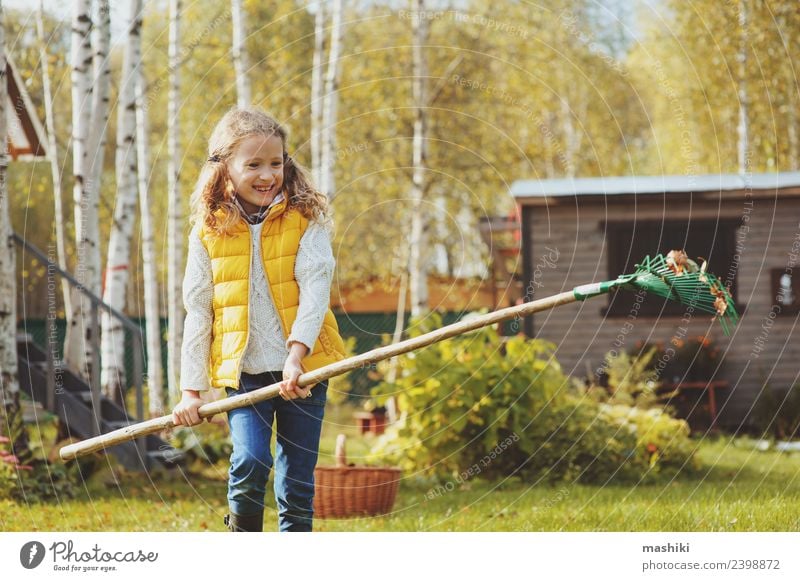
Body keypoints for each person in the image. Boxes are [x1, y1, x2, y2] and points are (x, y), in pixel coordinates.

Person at [171, 108, 346, 532]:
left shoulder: (306, 220)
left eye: (276, 162)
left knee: (296, 482)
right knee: (250, 462)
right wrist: (192, 391)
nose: (268, 174)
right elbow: (199, 311)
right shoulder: (208, 232)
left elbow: (315, 292)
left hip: (304, 369)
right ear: (224, 168)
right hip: (245, 372)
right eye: (253, 164)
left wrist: (296, 356)